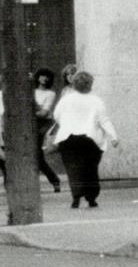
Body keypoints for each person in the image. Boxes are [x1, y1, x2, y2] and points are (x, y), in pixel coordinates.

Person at [51, 70, 119, 208]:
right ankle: (91, 197)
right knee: (90, 169)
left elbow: (56, 115)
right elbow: (104, 120)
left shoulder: (66, 99)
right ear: (91, 84)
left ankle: (76, 196)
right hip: (90, 139)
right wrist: (113, 136)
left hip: (67, 138)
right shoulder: (96, 101)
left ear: (74, 84)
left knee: (73, 168)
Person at [33, 68, 62, 192]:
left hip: (41, 124)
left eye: (47, 77)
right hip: (32, 122)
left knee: (37, 155)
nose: (44, 79)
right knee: (37, 156)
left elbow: (44, 112)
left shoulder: (50, 93)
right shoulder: (31, 91)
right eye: (42, 76)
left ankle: (54, 180)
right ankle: (54, 180)